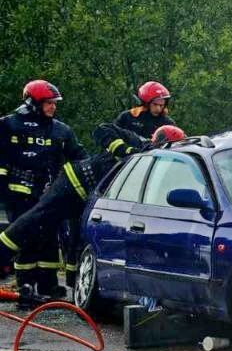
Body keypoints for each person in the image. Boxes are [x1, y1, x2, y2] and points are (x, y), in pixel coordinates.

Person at [0, 123, 184, 305]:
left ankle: (74, 288)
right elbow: (101, 129)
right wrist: (123, 149)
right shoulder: (136, 142)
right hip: (73, 181)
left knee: (77, 242)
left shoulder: (154, 163)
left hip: (88, 198)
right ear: (160, 142)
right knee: (35, 220)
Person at [0, 80, 86, 293]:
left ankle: (49, 285)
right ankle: (25, 284)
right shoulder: (8, 124)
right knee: (25, 236)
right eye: (48, 103)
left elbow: (79, 157)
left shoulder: (61, 130)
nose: (53, 107)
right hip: (19, 192)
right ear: (32, 103)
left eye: (54, 103)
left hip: (50, 193)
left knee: (49, 239)